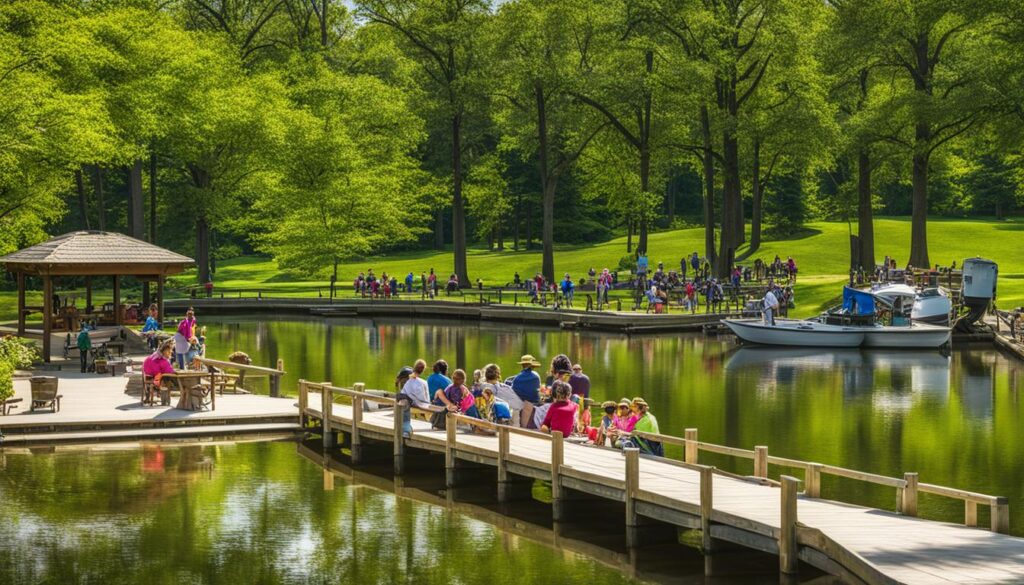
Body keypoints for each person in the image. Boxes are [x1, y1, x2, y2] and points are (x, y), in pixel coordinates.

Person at [397, 359, 430, 436]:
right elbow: (426, 399)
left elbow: (403, 393)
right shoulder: (424, 382)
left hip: (409, 403)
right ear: (423, 370)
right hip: (421, 403)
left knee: (403, 402)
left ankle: (406, 429)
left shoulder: (408, 381)